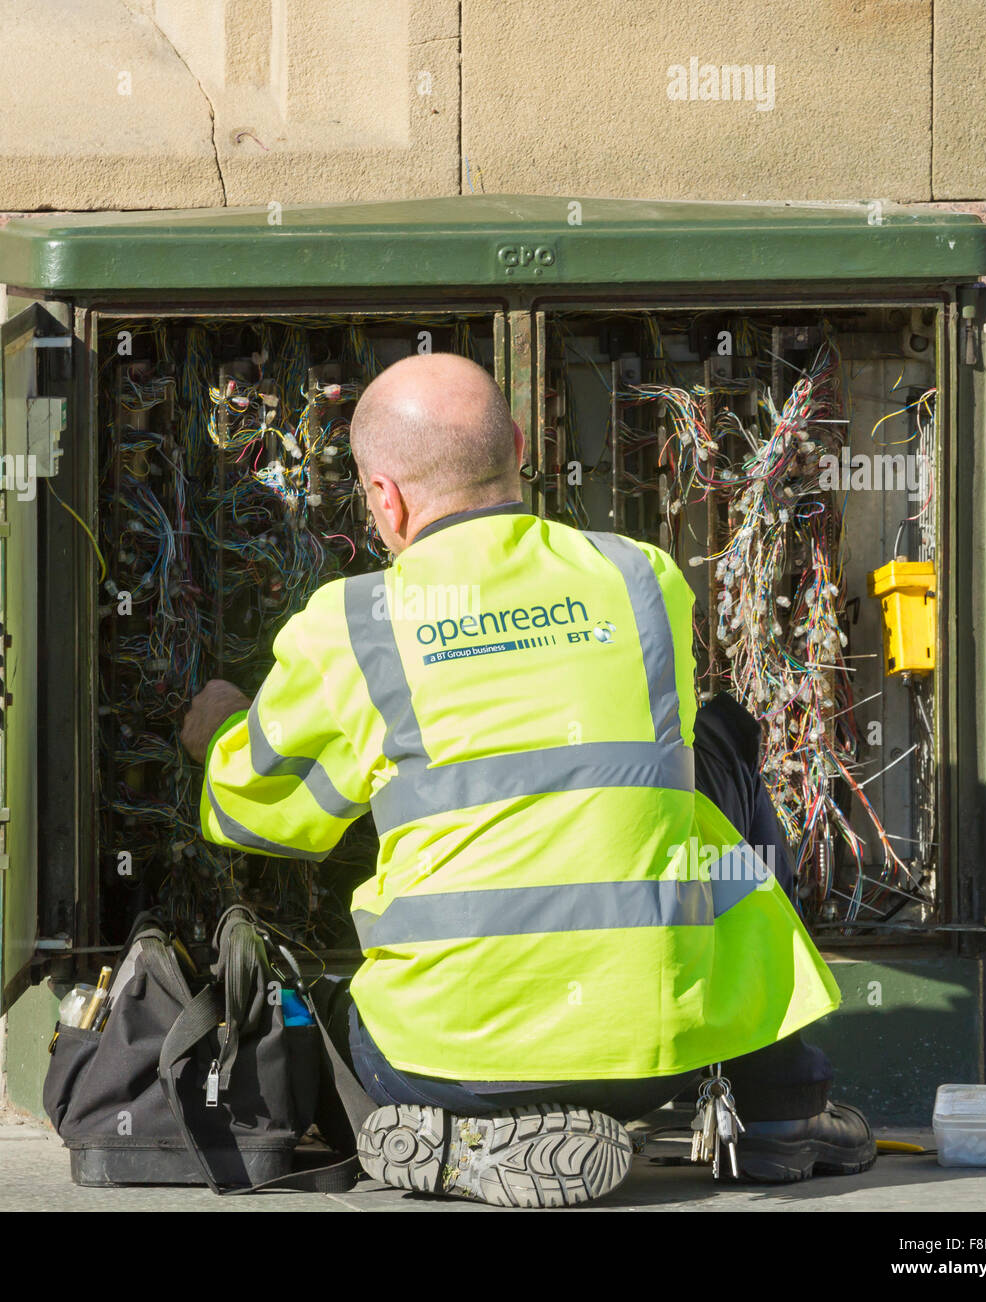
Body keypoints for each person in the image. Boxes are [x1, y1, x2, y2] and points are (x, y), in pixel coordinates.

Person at [181, 353, 874, 1207]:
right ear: (516, 445)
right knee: (722, 757)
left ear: (384, 498)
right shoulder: (642, 579)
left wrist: (218, 728)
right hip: (660, 1053)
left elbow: (253, 817)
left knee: (332, 998)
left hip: (437, 1065)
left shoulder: (355, 623)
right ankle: (780, 1107)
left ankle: (462, 1142)